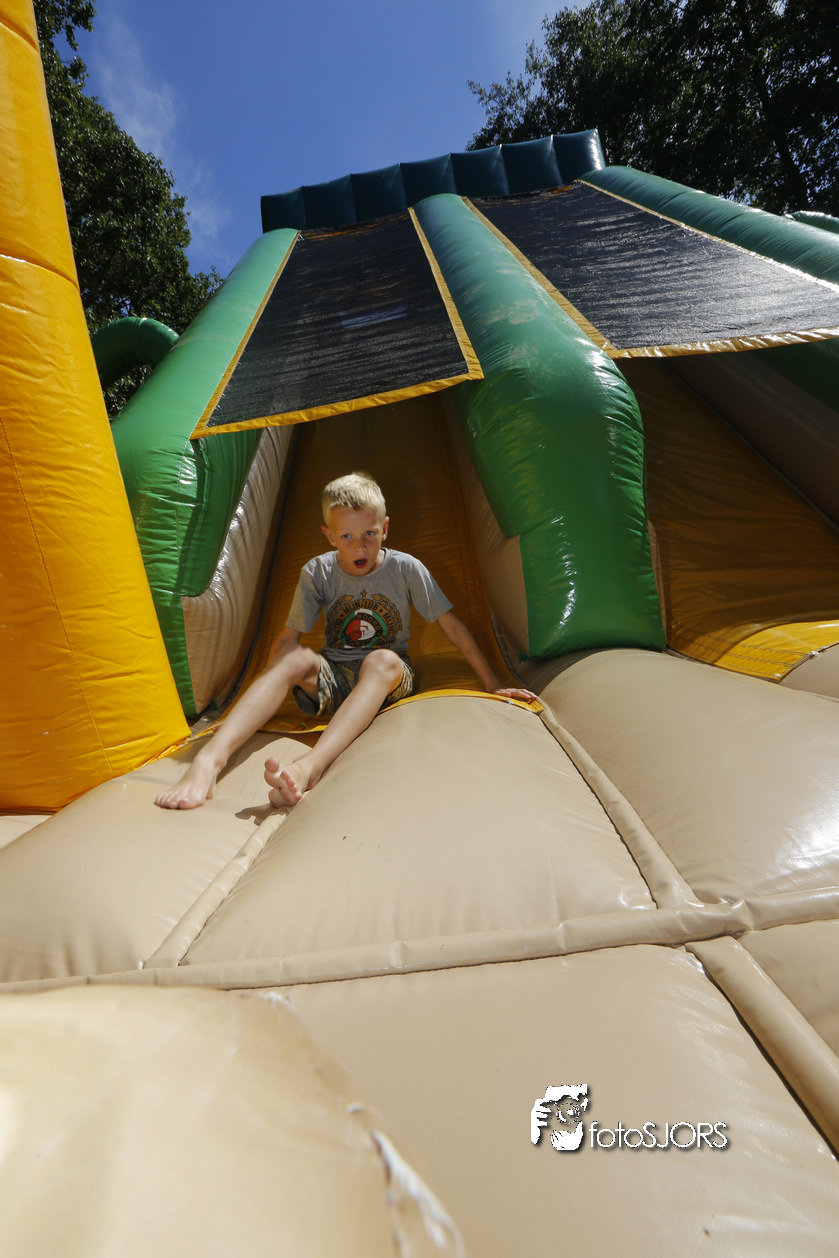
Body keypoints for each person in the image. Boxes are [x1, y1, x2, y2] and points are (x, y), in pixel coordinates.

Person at [155, 471, 537, 810]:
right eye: (347, 537)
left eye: (369, 534)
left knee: (381, 659)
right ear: (329, 536)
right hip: (334, 679)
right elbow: (286, 641)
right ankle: (208, 762)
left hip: (387, 681)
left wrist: (492, 683)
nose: (359, 547)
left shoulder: (405, 569)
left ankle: (309, 767)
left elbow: (452, 626)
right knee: (293, 656)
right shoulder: (318, 572)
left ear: (385, 528)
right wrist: (257, 696)